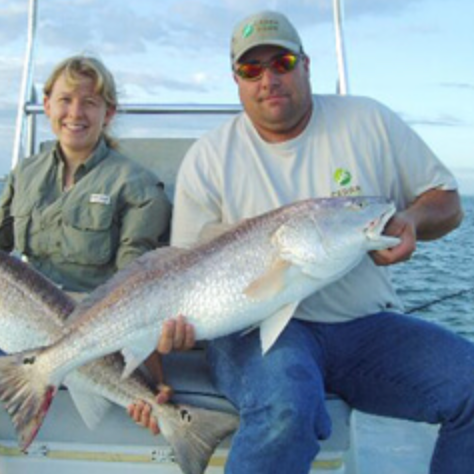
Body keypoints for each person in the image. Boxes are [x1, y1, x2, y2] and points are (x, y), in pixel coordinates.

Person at [130, 10, 473, 474]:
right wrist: (168, 334)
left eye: (282, 62)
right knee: (286, 408)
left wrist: (412, 218)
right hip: (251, 331)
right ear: (237, 81)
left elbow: (447, 202)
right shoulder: (209, 158)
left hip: (365, 326)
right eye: (252, 69)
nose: (269, 78)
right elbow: (182, 270)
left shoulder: (368, 120)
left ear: (306, 65)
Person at [0, 54, 171, 293]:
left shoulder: (139, 187)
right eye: (65, 100)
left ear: (108, 113)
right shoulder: (24, 174)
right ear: (48, 106)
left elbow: (133, 286)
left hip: (96, 318)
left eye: (89, 102)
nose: (75, 113)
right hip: (29, 313)